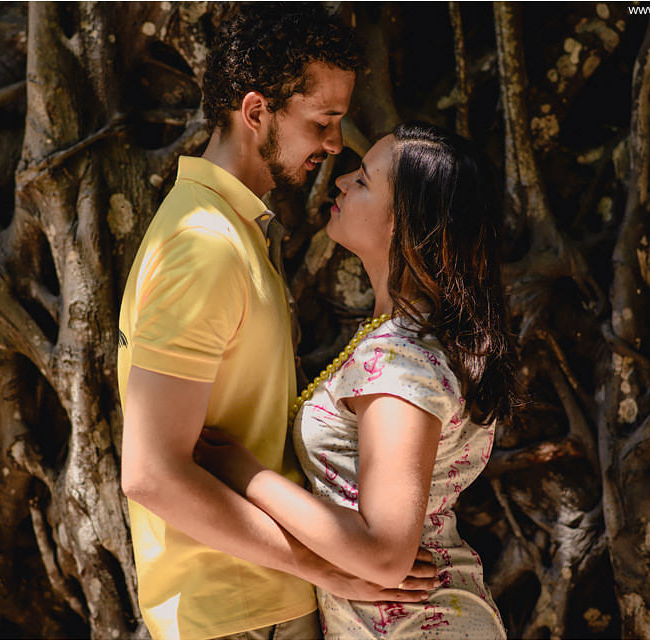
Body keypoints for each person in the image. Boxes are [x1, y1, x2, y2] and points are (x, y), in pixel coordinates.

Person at [117, 7, 437, 640]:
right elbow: (152, 473)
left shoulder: (232, 231)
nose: (336, 144)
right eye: (322, 121)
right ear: (257, 111)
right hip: (240, 611)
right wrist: (327, 568)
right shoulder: (204, 248)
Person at [196, 122, 518, 639]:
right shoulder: (409, 339)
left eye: (364, 180)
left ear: (403, 225)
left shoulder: (401, 360)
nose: (342, 181)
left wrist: (242, 472)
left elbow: (385, 555)